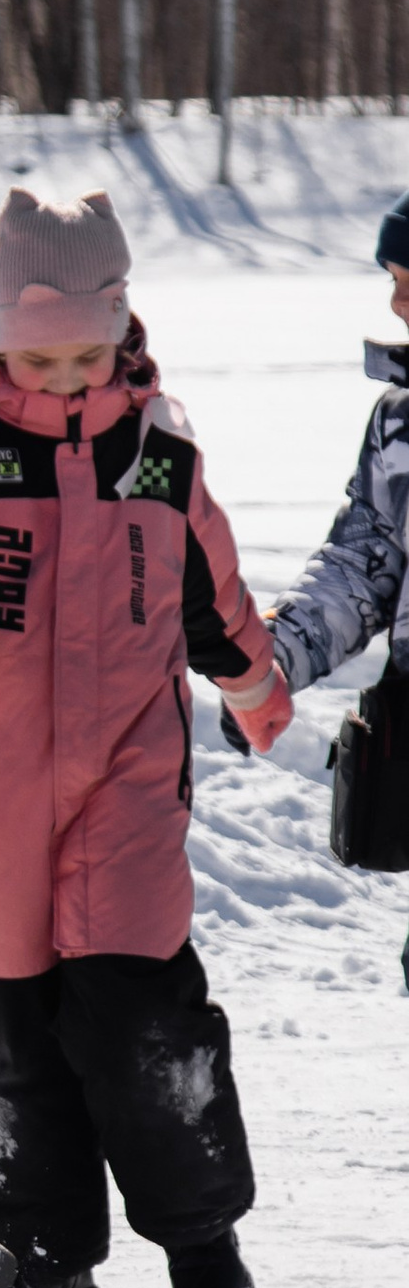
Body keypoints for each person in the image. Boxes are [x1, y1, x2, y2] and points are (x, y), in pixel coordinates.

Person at [0, 184, 288, 1288]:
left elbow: (208, 593)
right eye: (38, 355)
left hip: (125, 769)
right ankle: (45, 1261)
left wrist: (253, 686)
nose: (63, 377)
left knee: (139, 1008)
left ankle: (201, 1239)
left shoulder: (159, 457)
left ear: (121, 329)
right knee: (7, 1028)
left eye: (84, 354)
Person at [264, 189, 409, 982]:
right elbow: (362, 562)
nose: (397, 300)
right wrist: (272, 658)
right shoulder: (401, 423)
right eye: (394, 277)